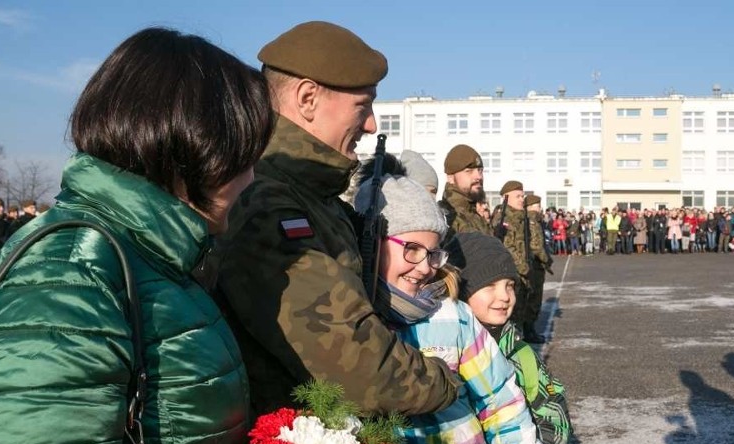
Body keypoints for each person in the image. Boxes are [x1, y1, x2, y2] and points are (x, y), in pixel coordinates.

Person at [0, 27, 326, 444]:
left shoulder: (152, 259)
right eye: (244, 157)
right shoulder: (68, 284)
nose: (251, 178)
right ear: (190, 148)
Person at [202, 21, 461, 417]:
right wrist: (448, 379)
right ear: (307, 98)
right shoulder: (270, 202)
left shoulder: (310, 195)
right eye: (362, 106)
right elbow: (357, 368)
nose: (372, 123)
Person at [350, 174, 554, 444]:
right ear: (370, 245)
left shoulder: (453, 318)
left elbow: (501, 403)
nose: (424, 267)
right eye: (411, 249)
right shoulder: (349, 330)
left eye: (433, 253)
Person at [448, 232, 571, 444]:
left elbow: (554, 410)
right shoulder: (443, 355)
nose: (504, 297)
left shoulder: (520, 353)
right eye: (490, 286)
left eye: (510, 285)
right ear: (460, 289)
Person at [491, 181, 532, 330]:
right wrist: (523, 267)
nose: (522, 199)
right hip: (512, 273)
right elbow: (507, 247)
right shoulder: (504, 218)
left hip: (522, 273)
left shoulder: (520, 218)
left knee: (521, 311)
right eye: (518, 196)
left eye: (522, 196)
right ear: (506, 197)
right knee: (511, 316)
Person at [438, 144, 491, 236]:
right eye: (469, 171)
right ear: (450, 177)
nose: (478, 176)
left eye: (480, 171)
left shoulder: (473, 214)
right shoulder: (444, 216)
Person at [523, 194, 551, 343]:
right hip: (535, 264)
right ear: (532, 206)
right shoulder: (532, 219)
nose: (539, 208)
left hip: (533, 263)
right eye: (537, 205)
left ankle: (529, 329)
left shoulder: (529, 219)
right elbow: (537, 245)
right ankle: (529, 331)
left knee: (531, 298)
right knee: (533, 299)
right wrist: (547, 260)